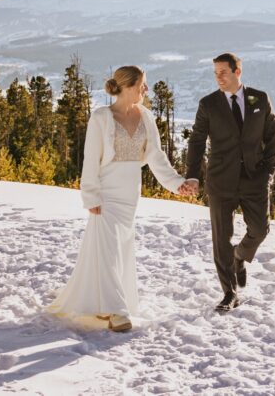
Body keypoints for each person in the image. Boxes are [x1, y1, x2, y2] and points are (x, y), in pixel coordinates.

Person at [48, 65, 191, 332]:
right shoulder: (101, 118)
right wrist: (90, 194)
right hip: (106, 192)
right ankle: (117, 311)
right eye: (142, 85)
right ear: (126, 86)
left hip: (130, 194)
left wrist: (177, 184)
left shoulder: (146, 117)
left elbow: (156, 157)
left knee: (118, 249)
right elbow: (91, 160)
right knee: (109, 248)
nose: (146, 90)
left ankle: (100, 301)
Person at [182, 52, 275, 312]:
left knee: (259, 230)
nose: (218, 78)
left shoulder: (259, 99)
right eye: (215, 73)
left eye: (223, 72)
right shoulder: (208, 104)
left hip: (254, 180)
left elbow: (271, 138)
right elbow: (197, 141)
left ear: (237, 72)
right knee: (221, 240)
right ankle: (229, 292)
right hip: (220, 181)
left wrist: (268, 173)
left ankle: (240, 256)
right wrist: (193, 175)